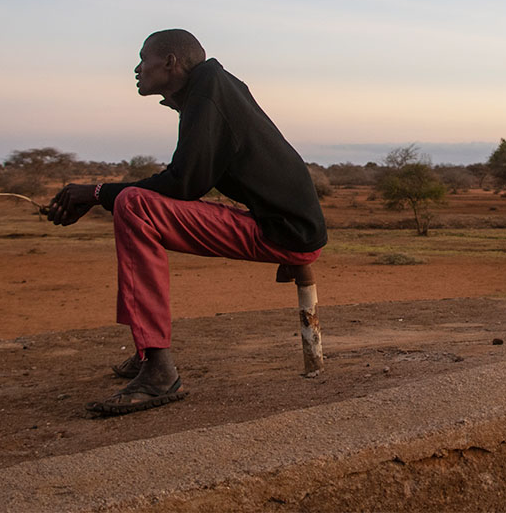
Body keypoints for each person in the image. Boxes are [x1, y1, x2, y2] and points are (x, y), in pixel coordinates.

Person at [45, 29, 327, 416]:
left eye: (144, 59)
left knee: (134, 205)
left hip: (285, 233)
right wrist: (97, 194)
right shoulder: (209, 89)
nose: (137, 68)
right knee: (133, 201)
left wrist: (96, 194)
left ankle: (159, 370)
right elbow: (187, 177)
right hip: (281, 223)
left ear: (171, 62)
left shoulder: (210, 91)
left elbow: (183, 183)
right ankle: (148, 352)